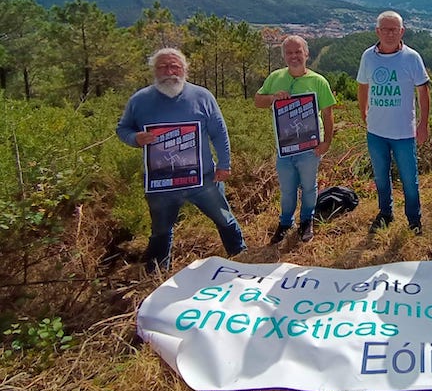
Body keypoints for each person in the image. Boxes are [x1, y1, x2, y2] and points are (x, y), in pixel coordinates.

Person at [116, 48, 246, 273]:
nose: (169, 71)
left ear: (184, 69)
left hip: (203, 179)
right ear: (154, 70)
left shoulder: (202, 96)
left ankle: (243, 258)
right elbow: (122, 129)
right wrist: (135, 138)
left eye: (175, 66)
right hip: (161, 183)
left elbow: (219, 132)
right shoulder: (140, 100)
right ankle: (157, 274)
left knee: (225, 219)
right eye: (163, 66)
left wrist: (224, 164)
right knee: (161, 230)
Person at [255, 35, 336, 244]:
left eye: (298, 52)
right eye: (289, 53)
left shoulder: (318, 81)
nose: (294, 56)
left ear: (306, 54)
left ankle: (307, 221)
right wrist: (273, 98)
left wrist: (326, 142)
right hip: (285, 149)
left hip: (310, 148)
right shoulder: (275, 78)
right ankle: (285, 223)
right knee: (287, 189)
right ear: (283, 56)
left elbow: (328, 114)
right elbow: (258, 101)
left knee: (309, 187)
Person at [357, 10, 431, 235]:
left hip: (404, 132)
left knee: (409, 179)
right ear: (377, 31)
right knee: (381, 176)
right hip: (376, 131)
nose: (390, 34)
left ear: (402, 31)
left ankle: (414, 219)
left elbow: (423, 91)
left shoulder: (412, 57)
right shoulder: (368, 56)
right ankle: (385, 213)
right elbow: (362, 86)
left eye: (394, 29)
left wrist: (423, 124)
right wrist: (364, 112)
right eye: (385, 29)